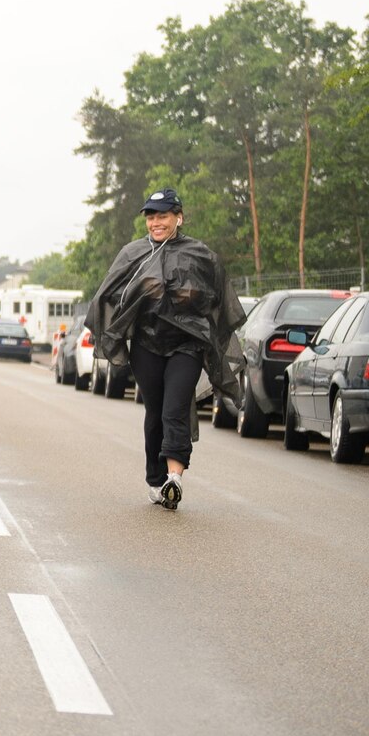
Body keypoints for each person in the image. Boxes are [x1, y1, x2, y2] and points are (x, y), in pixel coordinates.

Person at [87, 187, 245, 510]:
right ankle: (156, 479)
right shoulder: (132, 254)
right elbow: (110, 295)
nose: (156, 223)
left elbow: (217, 297)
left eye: (163, 216)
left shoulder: (199, 254)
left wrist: (188, 297)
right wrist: (142, 295)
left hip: (186, 345)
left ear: (179, 217)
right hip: (147, 345)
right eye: (151, 217)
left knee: (175, 408)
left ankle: (175, 477)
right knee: (156, 412)